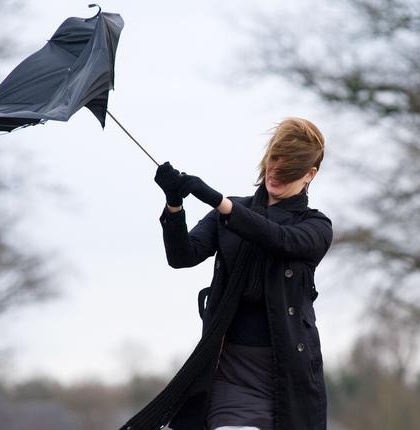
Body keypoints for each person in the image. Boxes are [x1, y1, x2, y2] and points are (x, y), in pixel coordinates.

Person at [121, 117, 332, 430]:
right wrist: (174, 205)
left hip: (289, 376)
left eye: (289, 170)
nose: (276, 173)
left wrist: (220, 203)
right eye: (274, 160)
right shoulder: (230, 213)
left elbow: (279, 239)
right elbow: (182, 256)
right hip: (229, 370)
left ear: (309, 175)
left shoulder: (315, 227)